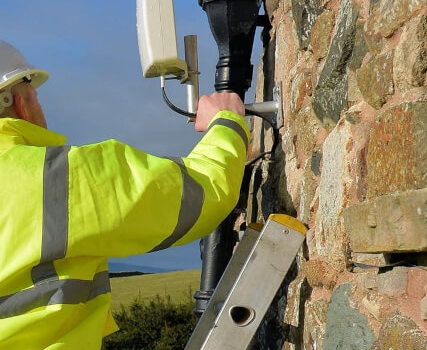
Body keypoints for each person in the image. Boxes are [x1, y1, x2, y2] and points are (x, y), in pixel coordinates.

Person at [0, 40, 250, 349]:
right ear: (19, 101)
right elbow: (203, 191)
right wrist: (226, 122)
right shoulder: (53, 178)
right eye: (35, 95)